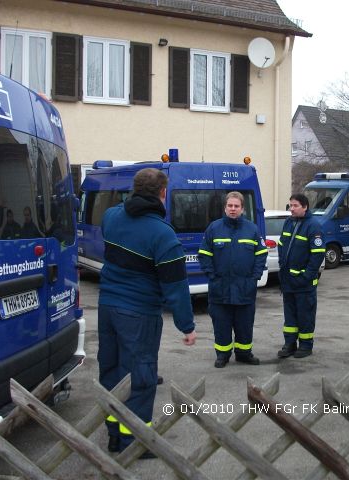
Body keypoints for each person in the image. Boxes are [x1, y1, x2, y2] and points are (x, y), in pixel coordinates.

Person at [98, 168, 196, 456]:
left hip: (107, 307)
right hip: (139, 313)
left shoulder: (111, 217)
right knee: (140, 375)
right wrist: (187, 326)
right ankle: (137, 443)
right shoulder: (163, 235)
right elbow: (176, 288)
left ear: (135, 189)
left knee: (112, 371)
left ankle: (115, 434)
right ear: (163, 193)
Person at [198, 191, 268, 368]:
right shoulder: (214, 228)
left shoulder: (252, 229)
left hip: (245, 288)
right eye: (230, 206)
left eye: (236, 206)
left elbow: (261, 255)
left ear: (242, 209)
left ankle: (244, 354)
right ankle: (222, 355)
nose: (233, 209)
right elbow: (204, 255)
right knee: (221, 324)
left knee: (244, 324)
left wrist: (254, 277)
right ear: (225, 208)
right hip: (220, 288)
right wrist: (212, 277)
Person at [277, 193, 326, 358]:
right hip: (288, 281)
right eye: (290, 205)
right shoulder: (288, 223)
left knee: (305, 315)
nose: (291, 208)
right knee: (289, 316)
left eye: (295, 205)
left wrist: (306, 275)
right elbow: (282, 245)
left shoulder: (313, 226)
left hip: (303, 282)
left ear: (305, 207)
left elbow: (318, 254)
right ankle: (289, 344)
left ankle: (305, 346)